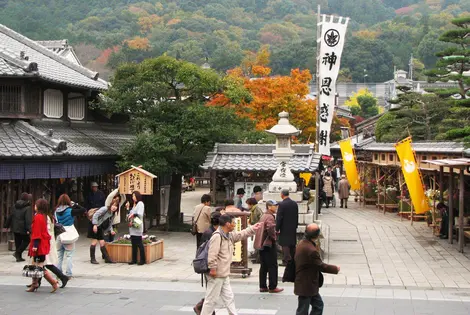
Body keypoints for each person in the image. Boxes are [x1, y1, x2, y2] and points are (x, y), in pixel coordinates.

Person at [200, 214, 262, 315]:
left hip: (224, 274)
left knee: (229, 298)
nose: (234, 225)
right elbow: (212, 254)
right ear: (228, 224)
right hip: (217, 274)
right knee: (211, 300)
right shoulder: (217, 236)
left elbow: (241, 234)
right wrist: (213, 268)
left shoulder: (229, 235)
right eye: (233, 223)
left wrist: (252, 229)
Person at [295, 223, 340, 315]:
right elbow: (321, 266)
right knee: (303, 310)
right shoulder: (311, 250)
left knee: (318, 305)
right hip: (306, 284)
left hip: (308, 283)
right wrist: (335, 269)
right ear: (316, 235)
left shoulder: (302, 243)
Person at [26, 199, 59, 293]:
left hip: (39, 245)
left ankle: (53, 282)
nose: (34, 206)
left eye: (35, 205)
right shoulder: (44, 216)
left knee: (39, 267)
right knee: (36, 265)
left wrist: (35, 245)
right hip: (43, 243)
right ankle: (35, 284)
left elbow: (37, 232)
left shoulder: (38, 217)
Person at [193, 212, 221, 315]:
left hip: (210, 265)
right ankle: (201, 307)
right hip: (209, 265)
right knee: (212, 292)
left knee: (213, 291)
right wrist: (212, 266)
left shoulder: (212, 231)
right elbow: (211, 252)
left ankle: (204, 309)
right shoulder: (211, 233)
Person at [254, 200, 283, 293]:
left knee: (264, 266)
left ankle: (262, 286)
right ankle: (272, 286)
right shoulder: (270, 217)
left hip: (261, 244)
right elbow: (270, 228)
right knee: (272, 265)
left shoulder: (263, 215)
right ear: (269, 207)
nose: (276, 207)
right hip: (268, 244)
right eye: (274, 206)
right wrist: (274, 236)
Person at [55, 194, 87, 278]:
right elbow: (83, 210)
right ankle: (68, 274)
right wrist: (75, 204)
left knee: (59, 255)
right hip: (69, 233)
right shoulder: (71, 210)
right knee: (69, 255)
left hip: (59, 234)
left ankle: (58, 274)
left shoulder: (56, 211)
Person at [89, 196, 121, 264]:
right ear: (111, 204)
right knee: (94, 242)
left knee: (102, 242)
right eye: (113, 205)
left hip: (100, 227)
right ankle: (92, 259)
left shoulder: (113, 214)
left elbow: (110, 223)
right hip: (95, 225)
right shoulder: (105, 208)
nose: (114, 207)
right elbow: (95, 215)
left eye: (116, 206)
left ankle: (107, 259)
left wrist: (111, 230)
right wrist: (95, 225)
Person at [276, 189, 299, 266]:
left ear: (282, 195)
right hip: (292, 226)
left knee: (285, 244)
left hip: (284, 227)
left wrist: (277, 228)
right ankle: (294, 259)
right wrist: (295, 225)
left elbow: (279, 217)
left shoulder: (282, 205)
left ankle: (286, 260)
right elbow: (296, 216)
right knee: (292, 244)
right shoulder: (294, 204)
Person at [9, 193, 32, 262]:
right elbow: (27, 219)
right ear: (27, 199)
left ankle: (18, 257)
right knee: (27, 240)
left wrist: (7, 224)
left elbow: (11, 216)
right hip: (23, 228)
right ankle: (17, 253)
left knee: (18, 242)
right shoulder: (27, 208)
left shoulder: (14, 206)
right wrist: (29, 229)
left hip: (15, 226)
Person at [127, 191, 146, 265]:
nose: (133, 197)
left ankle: (142, 260)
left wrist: (133, 215)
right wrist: (128, 208)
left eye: (134, 196)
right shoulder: (134, 205)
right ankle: (134, 259)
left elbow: (140, 214)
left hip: (137, 225)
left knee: (139, 243)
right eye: (132, 196)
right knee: (133, 244)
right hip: (132, 226)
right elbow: (129, 214)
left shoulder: (140, 204)